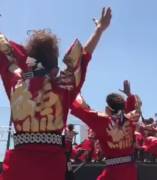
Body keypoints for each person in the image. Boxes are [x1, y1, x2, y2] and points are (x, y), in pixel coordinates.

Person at [0, 7, 112, 180]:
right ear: (54, 65)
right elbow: (82, 57)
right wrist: (99, 30)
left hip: (17, 168)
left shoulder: (16, 82)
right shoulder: (65, 87)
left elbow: (3, 50)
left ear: (30, 60)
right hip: (52, 168)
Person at [71, 80, 141, 180]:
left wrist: (75, 91)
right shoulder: (130, 119)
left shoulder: (101, 121)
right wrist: (129, 95)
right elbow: (135, 109)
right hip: (131, 171)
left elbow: (81, 109)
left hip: (113, 172)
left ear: (107, 109)